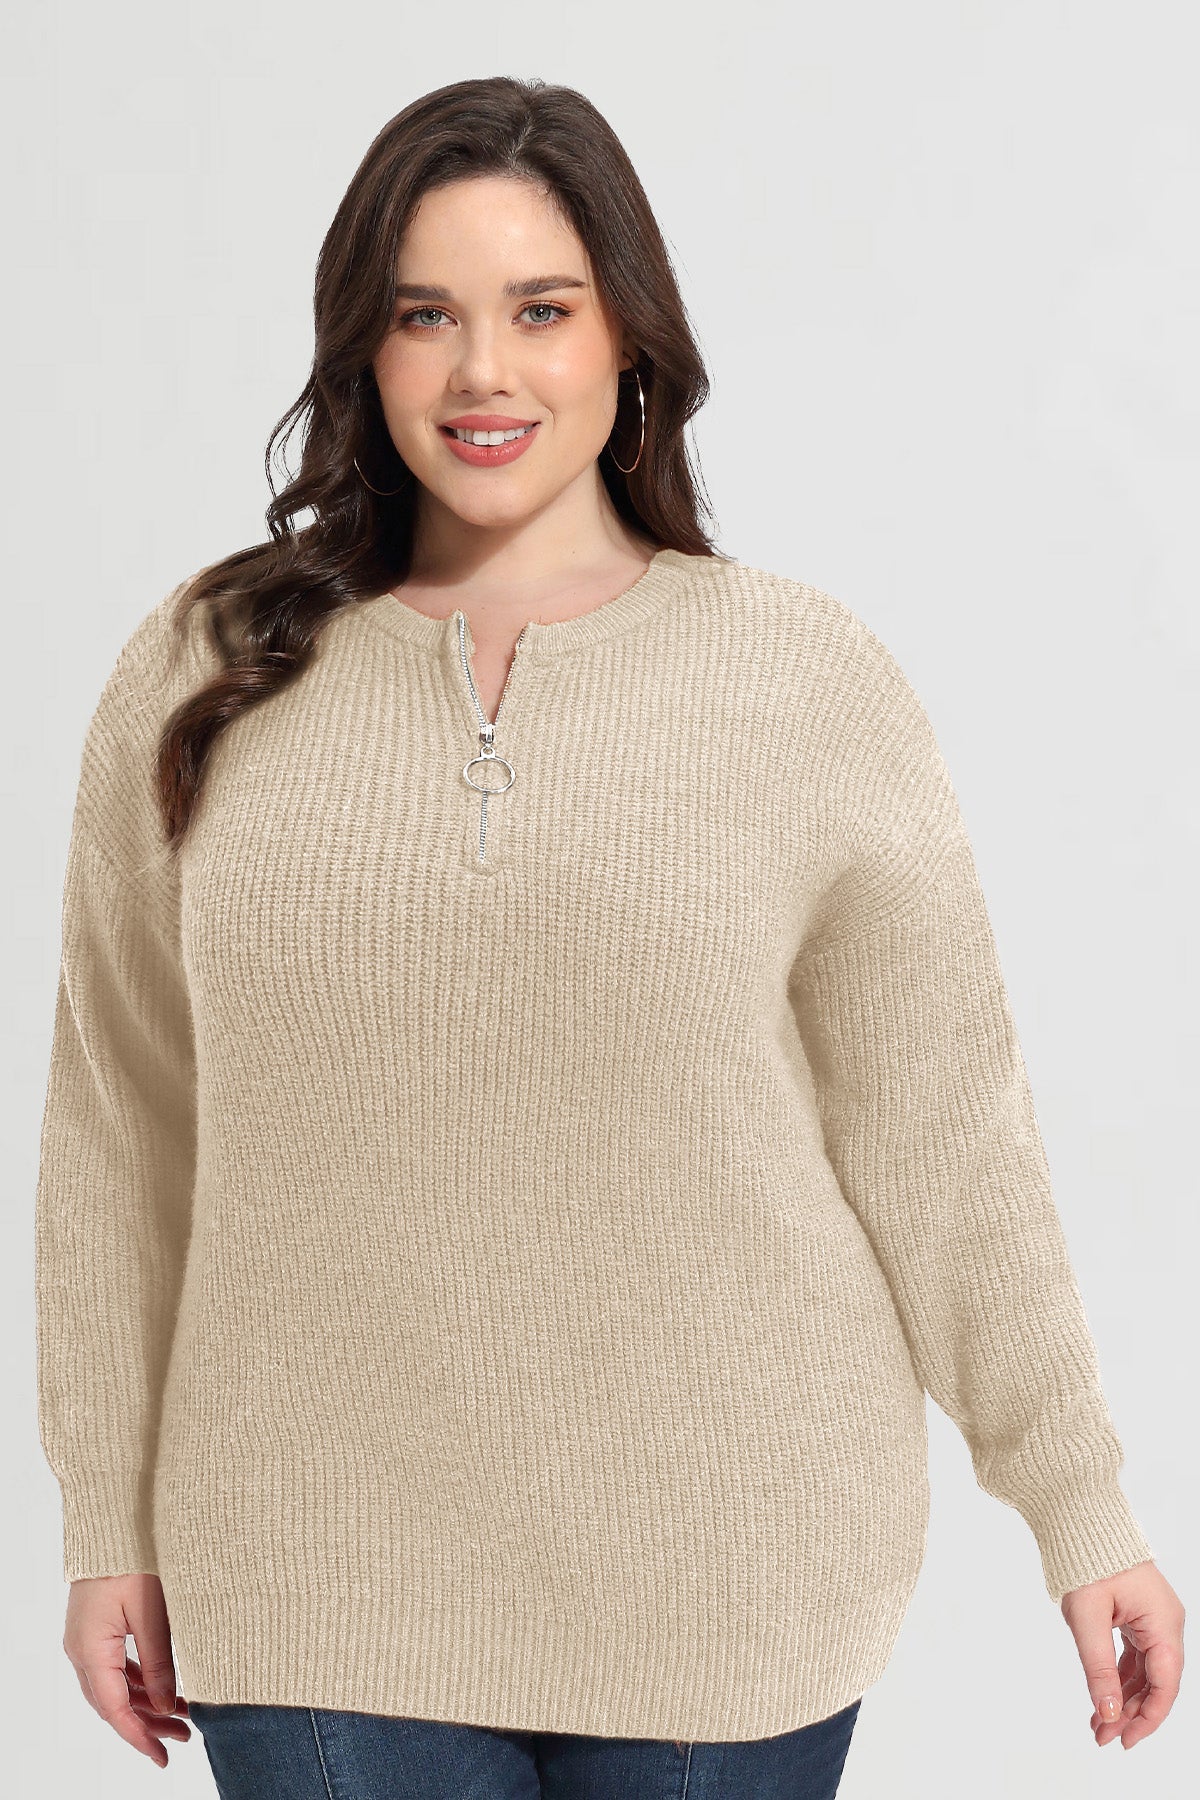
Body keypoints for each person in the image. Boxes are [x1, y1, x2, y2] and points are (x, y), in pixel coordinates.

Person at [34, 75, 1183, 1800]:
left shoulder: (802, 681)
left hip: (729, 1573)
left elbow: (944, 1137)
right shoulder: (206, 672)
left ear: (629, 341)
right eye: (425, 315)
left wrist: (1080, 1509)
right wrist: (105, 1518)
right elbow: (122, 1126)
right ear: (363, 351)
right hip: (319, 1563)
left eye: (540, 311)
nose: (481, 374)